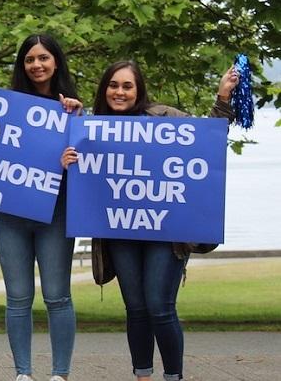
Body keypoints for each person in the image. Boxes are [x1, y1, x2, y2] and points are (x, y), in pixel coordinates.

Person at [61, 60, 239, 381]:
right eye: (113, 85)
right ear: (104, 89)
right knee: (137, 310)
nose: (119, 92)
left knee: (159, 307)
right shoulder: (90, 127)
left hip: (166, 234)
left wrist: (222, 98)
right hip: (119, 233)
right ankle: (142, 376)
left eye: (127, 86)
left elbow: (208, 140)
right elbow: (71, 171)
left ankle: (173, 377)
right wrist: (68, 160)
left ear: (139, 90)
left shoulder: (165, 118)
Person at [0, 34, 82, 381]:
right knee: (17, 298)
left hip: (56, 215)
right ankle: (23, 374)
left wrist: (71, 140)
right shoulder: (5, 107)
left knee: (58, 297)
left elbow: (90, 166)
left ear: (56, 62)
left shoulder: (75, 110)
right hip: (12, 215)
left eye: (43, 58)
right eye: (30, 60)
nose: (37, 65)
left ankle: (59, 374)